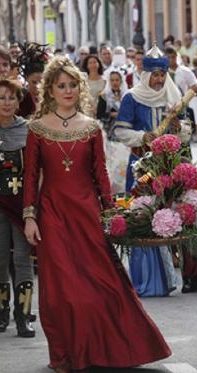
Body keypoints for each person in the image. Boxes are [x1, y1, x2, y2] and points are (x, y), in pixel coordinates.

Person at [22, 56, 171, 372]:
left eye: (72, 84)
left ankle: (108, 349)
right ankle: (65, 353)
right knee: (60, 290)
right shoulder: (36, 129)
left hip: (88, 214)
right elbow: (31, 176)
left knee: (102, 282)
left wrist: (110, 213)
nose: (68, 90)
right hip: (52, 215)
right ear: (50, 89)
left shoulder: (91, 128)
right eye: (61, 85)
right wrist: (30, 216)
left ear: (79, 88)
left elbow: (101, 175)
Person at [113, 45, 182, 297]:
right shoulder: (132, 97)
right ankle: (145, 280)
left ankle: (168, 278)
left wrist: (177, 128)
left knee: (168, 217)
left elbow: (185, 130)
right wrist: (144, 136)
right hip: (141, 167)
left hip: (167, 167)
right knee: (142, 216)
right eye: (155, 75)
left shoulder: (173, 96)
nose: (159, 79)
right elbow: (120, 131)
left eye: (162, 74)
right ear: (145, 75)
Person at [0, 79, 35, 338]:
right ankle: (2, 314)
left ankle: (23, 316)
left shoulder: (28, 130)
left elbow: (36, 171)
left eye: (12, 97)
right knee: (0, 260)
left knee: (22, 259)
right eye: (1, 97)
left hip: (22, 205)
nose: (7, 102)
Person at [96, 70, 130, 193]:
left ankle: (124, 191)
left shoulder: (127, 96)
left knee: (124, 165)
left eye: (117, 80)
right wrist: (110, 114)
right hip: (110, 136)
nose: (115, 83)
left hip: (125, 137)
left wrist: (121, 114)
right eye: (112, 80)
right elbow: (99, 116)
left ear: (121, 81)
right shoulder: (104, 96)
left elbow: (132, 115)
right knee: (111, 166)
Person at [17, 43, 49, 119]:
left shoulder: (50, 97)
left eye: (41, 82)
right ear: (26, 78)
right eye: (34, 82)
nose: (37, 86)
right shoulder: (21, 98)